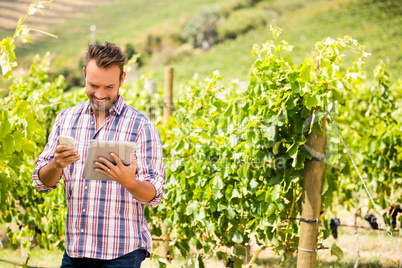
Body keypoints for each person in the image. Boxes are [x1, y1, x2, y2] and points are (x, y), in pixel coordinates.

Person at [32, 42, 165, 268]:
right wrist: (56, 165)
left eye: (109, 87)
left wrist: (129, 182)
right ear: (84, 74)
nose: (100, 95)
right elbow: (41, 182)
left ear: (122, 80)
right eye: (93, 85)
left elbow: (154, 195)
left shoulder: (141, 127)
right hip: (76, 251)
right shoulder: (66, 120)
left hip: (123, 253)